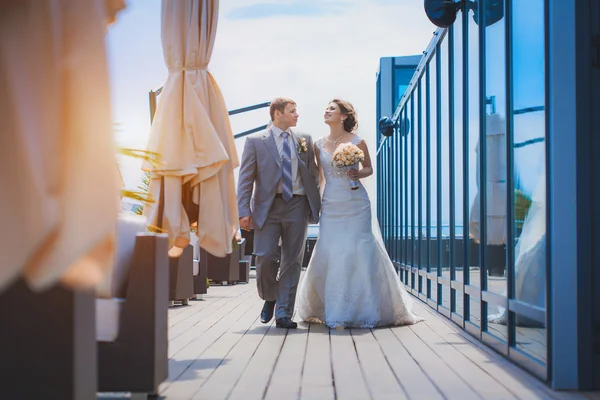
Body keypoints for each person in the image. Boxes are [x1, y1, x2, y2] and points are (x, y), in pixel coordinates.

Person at [296, 99, 423, 328]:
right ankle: (332, 307)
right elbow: (320, 177)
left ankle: (365, 306)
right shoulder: (317, 144)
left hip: (357, 204)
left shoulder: (357, 141)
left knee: (359, 248)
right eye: (326, 108)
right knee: (332, 250)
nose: (326, 111)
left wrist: (357, 173)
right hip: (332, 205)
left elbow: (369, 168)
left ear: (344, 116)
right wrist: (317, 204)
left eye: (332, 109)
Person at [237, 97, 321, 329]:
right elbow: (245, 179)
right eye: (292, 111)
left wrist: (318, 205)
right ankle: (271, 296)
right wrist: (243, 211)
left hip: (298, 204)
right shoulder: (255, 141)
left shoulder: (304, 139)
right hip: (267, 207)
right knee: (264, 257)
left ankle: (284, 312)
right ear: (277, 113)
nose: (297, 115)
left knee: (292, 261)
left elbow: (313, 175)